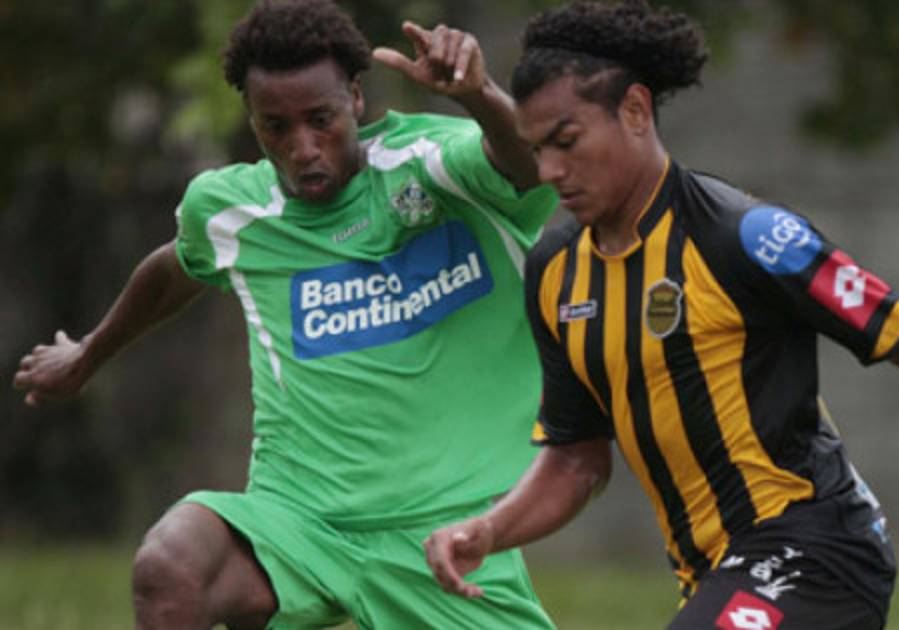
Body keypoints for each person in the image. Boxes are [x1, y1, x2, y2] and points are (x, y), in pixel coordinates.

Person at [422, 2, 899, 628]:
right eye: (538, 149)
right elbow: (576, 459)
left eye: (567, 141)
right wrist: (489, 530)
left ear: (635, 110)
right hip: (716, 574)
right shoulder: (556, 271)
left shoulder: (747, 236)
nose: (549, 170)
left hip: (819, 548)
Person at [12, 1, 558, 628]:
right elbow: (173, 268)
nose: (303, 148)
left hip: (443, 531)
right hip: (298, 522)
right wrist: (88, 353)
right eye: (276, 127)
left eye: (320, 120)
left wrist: (480, 96)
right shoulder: (232, 211)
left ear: (356, 98)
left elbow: (532, 165)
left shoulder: (433, 165)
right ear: (253, 121)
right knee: (170, 567)